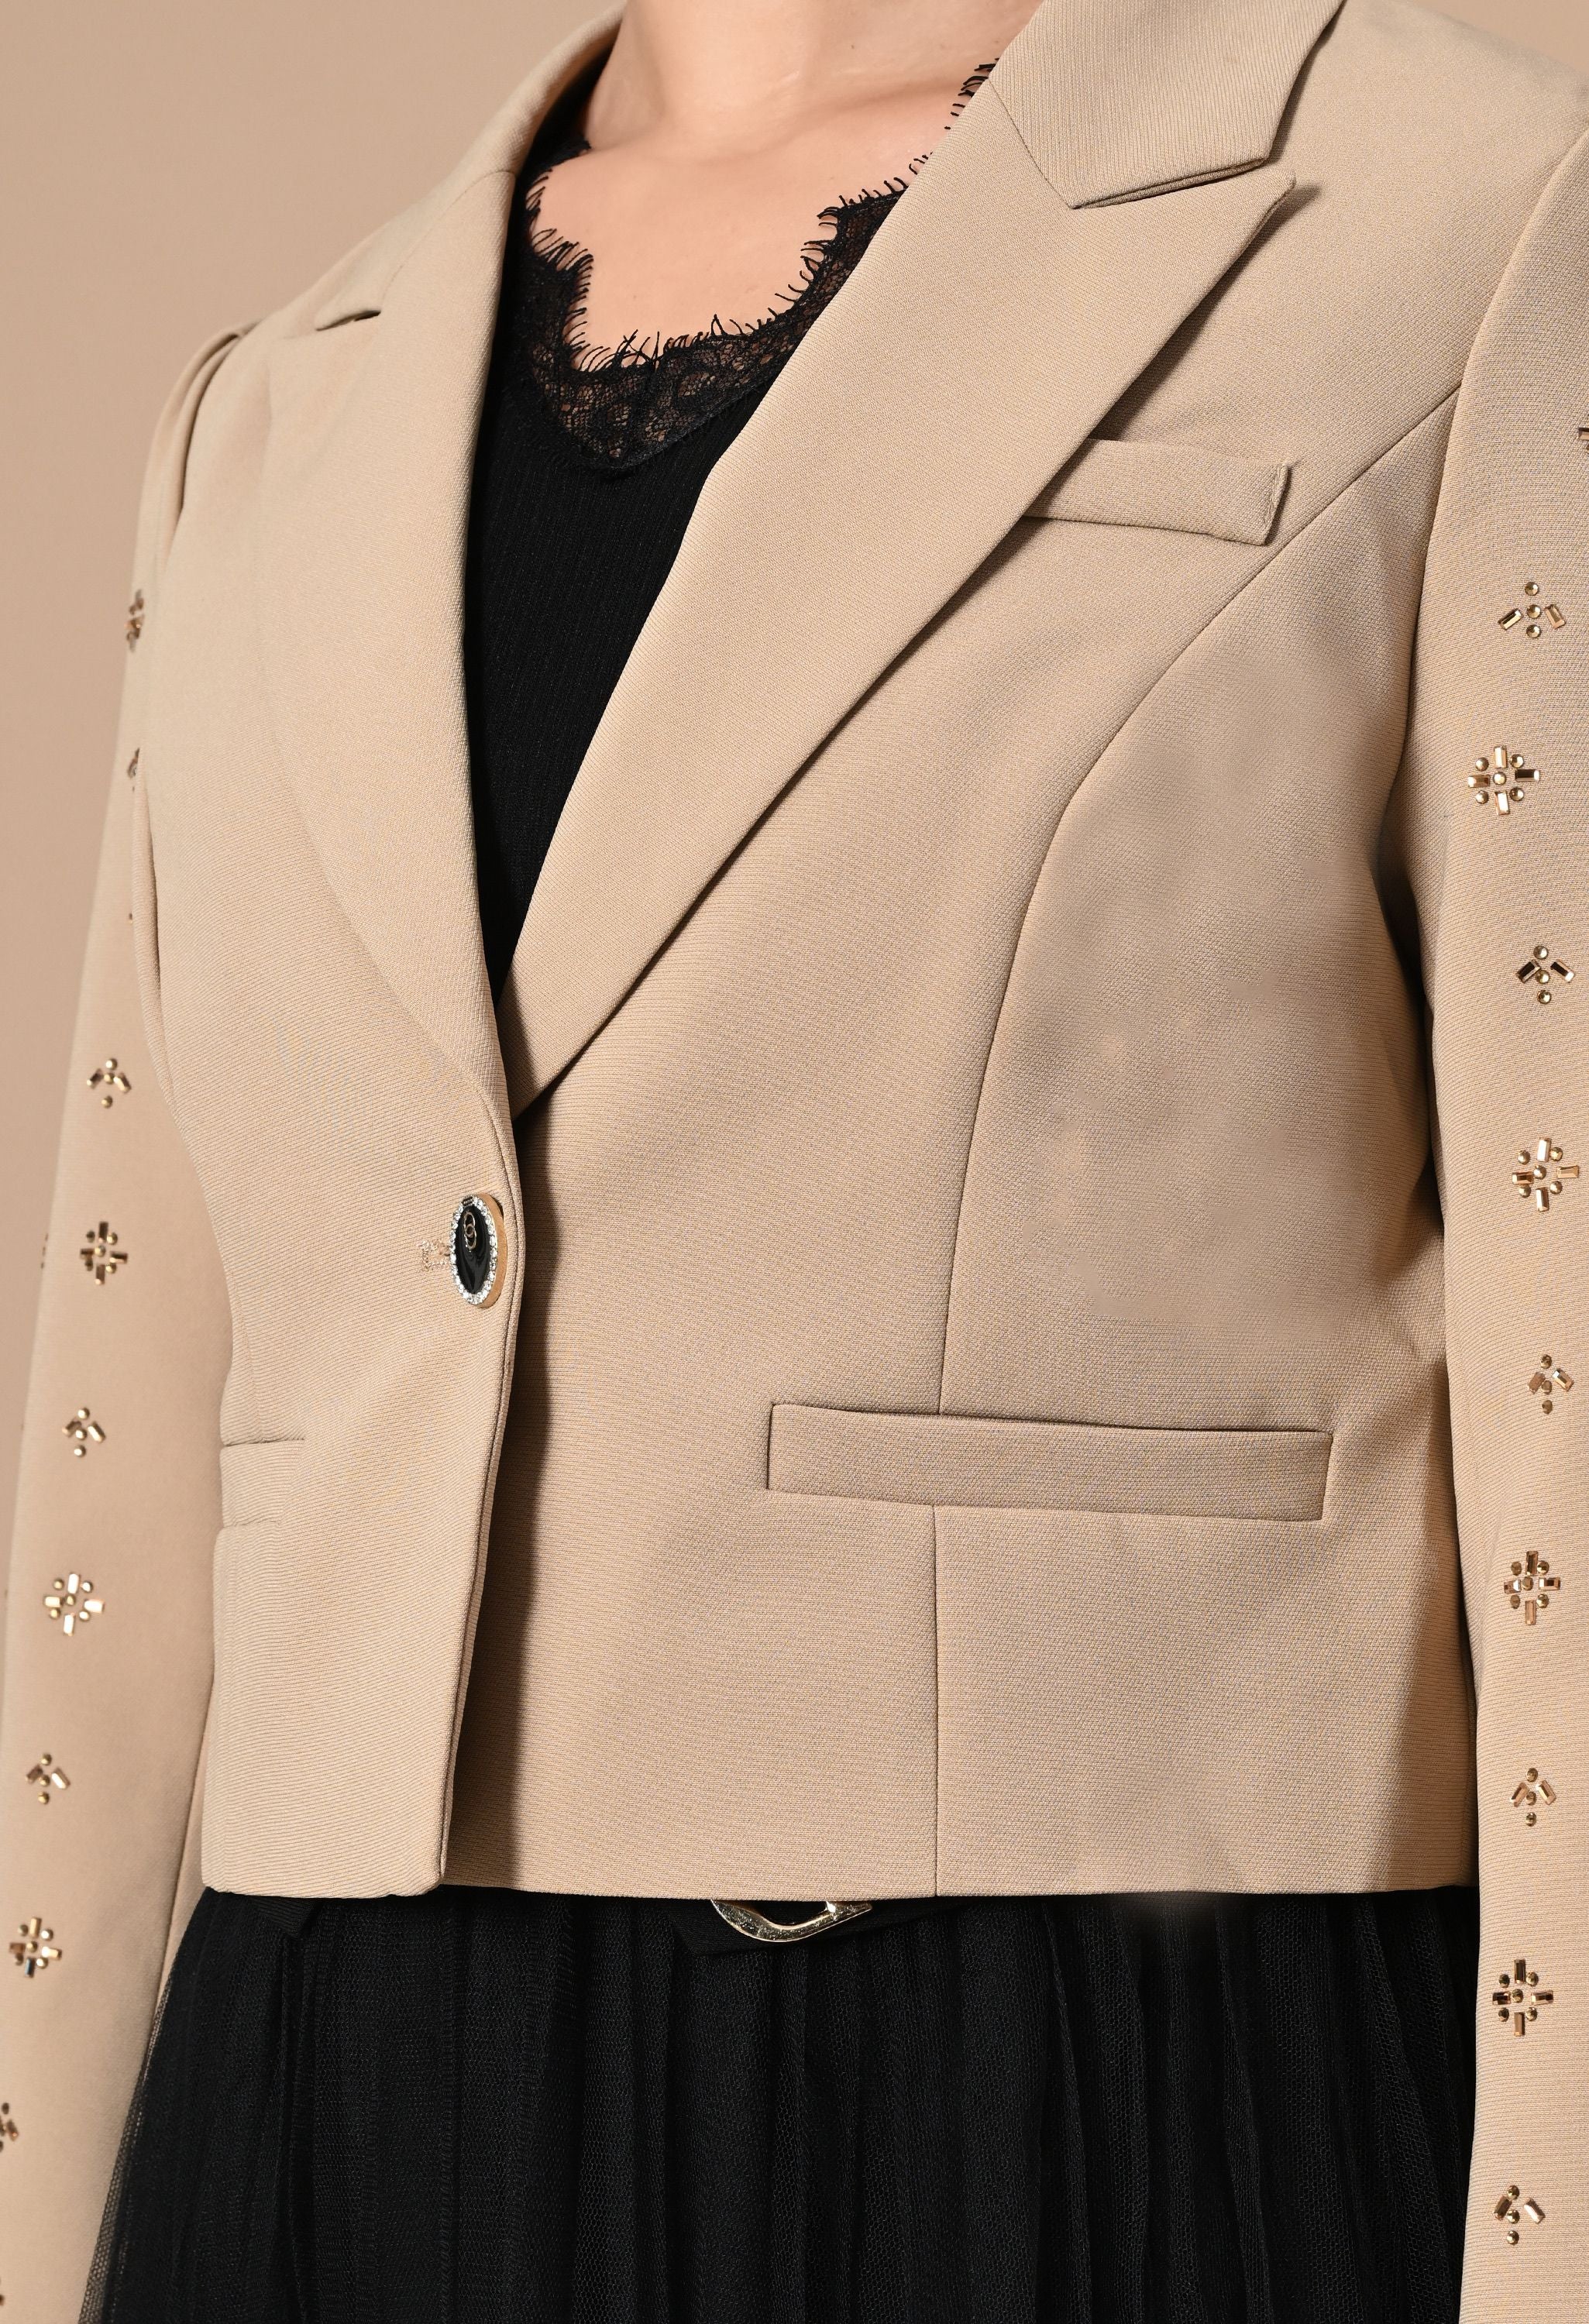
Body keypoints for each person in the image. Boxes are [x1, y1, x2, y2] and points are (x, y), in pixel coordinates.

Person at [3, 0, 1587, 2315]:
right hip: (339, 2096)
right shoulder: (275, 404)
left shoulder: (1478, 218)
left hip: (1091, 2090)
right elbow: (125, 1446)